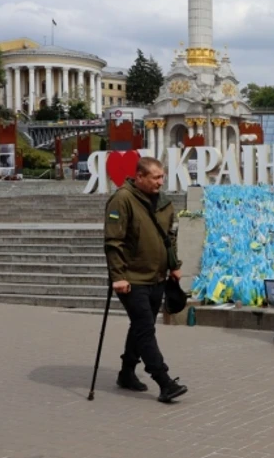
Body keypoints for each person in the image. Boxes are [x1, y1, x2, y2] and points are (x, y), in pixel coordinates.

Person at [104, 156, 188, 404]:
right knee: (145, 328)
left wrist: (174, 265)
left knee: (141, 327)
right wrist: (118, 277)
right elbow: (113, 241)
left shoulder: (163, 202)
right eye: (155, 177)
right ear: (139, 177)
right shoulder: (122, 200)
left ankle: (126, 373)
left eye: (162, 177)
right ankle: (164, 381)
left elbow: (169, 236)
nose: (160, 182)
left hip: (157, 277)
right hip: (131, 278)